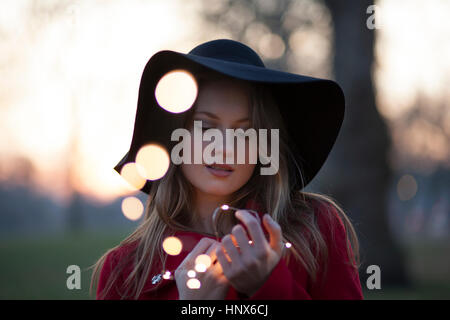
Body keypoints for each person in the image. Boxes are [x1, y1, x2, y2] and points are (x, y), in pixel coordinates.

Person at [90, 39, 364, 300]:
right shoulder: (125, 270)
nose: (224, 148)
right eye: (206, 128)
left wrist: (268, 285)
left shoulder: (313, 231)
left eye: (245, 132)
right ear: (176, 138)